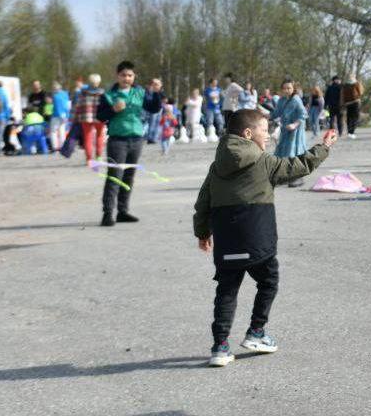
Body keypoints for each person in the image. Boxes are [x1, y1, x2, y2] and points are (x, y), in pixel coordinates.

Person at [194, 109, 336, 367]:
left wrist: (203, 233)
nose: (269, 135)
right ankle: (256, 332)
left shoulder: (217, 166)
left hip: (227, 240)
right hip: (257, 239)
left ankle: (220, 346)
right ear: (248, 134)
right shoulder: (264, 161)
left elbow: (203, 201)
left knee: (226, 290)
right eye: (264, 129)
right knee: (269, 281)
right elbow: (299, 166)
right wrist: (323, 147)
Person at [95, 62, 164, 227]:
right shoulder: (109, 95)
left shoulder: (140, 92)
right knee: (114, 176)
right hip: (117, 140)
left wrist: (157, 92)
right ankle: (107, 213)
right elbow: (100, 116)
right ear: (117, 76)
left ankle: (123, 211)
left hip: (136, 139)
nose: (127, 78)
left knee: (129, 176)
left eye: (130, 75)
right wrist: (113, 110)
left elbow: (154, 108)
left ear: (134, 77)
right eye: (123, 75)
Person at [270, 80, 309, 187]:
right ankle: (281, 177)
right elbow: (276, 113)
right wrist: (265, 116)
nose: (287, 90)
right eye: (285, 88)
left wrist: (294, 125)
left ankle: (298, 178)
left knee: (293, 153)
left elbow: (303, 114)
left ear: (293, 89)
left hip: (295, 130)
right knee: (281, 152)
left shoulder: (296, 99)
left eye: (289, 88)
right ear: (281, 89)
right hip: (285, 130)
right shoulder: (281, 100)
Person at [73, 74, 107, 161]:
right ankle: (98, 156)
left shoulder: (83, 93)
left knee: (87, 137)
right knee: (100, 136)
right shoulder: (103, 93)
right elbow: (106, 106)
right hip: (100, 117)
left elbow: (78, 106)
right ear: (99, 82)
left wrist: (75, 117)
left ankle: (89, 159)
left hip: (85, 117)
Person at [49, 82, 71, 151]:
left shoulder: (55, 96)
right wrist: (67, 115)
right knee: (62, 131)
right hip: (65, 115)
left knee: (53, 131)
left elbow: (58, 107)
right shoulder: (66, 94)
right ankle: (63, 146)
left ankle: (55, 147)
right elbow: (68, 105)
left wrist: (60, 114)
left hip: (56, 115)